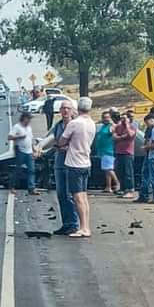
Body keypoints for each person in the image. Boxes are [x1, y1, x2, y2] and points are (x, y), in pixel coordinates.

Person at [36, 99, 78, 234]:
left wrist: (61, 147)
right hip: (59, 163)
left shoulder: (76, 125)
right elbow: (51, 138)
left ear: (72, 111)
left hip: (72, 163)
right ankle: (66, 223)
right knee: (61, 195)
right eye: (63, 108)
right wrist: (39, 147)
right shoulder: (59, 125)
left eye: (67, 108)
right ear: (59, 111)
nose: (65, 111)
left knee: (70, 195)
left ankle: (73, 223)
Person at [59, 96, 96, 238]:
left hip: (74, 163)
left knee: (77, 197)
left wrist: (65, 144)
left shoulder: (74, 123)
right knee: (84, 196)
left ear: (77, 108)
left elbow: (62, 141)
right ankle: (86, 226)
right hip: (86, 162)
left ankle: (83, 228)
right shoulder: (92, 123)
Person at [8, 112, 38, 195]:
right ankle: (12, 186)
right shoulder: (17, 127)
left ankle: (31, 188)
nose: (29, 121)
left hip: (29, 151)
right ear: (24, 118)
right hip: (20, 150)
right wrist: (19, 137)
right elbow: (9, 137)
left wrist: (34, 149)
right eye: (28, 119)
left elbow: (30, 139)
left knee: (31, 170)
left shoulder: (29, 128)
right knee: (18, 169)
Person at [113, 111, 137, 199]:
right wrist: (122, 137)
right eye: (122, 118)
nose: (122, 120)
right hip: (119, 152)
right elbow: (114, 136)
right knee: (120, 172)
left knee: (128, 173)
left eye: (124, 118)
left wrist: (127, 125)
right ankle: (123, 189)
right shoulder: (118, 127)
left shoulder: (132, 126)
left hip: (128, 153)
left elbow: (130, 135)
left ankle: (130, 190)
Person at [96, 111, 120, 193]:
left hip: (109, 151)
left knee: (109, 169)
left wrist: (113, 124)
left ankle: (117, 183)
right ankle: (108, 186)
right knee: (107, 170)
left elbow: (114, 133)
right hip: (103, 151)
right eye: (104, 117)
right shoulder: (103, 126)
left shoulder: (111, 126)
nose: (105, 119)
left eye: (107, 117)